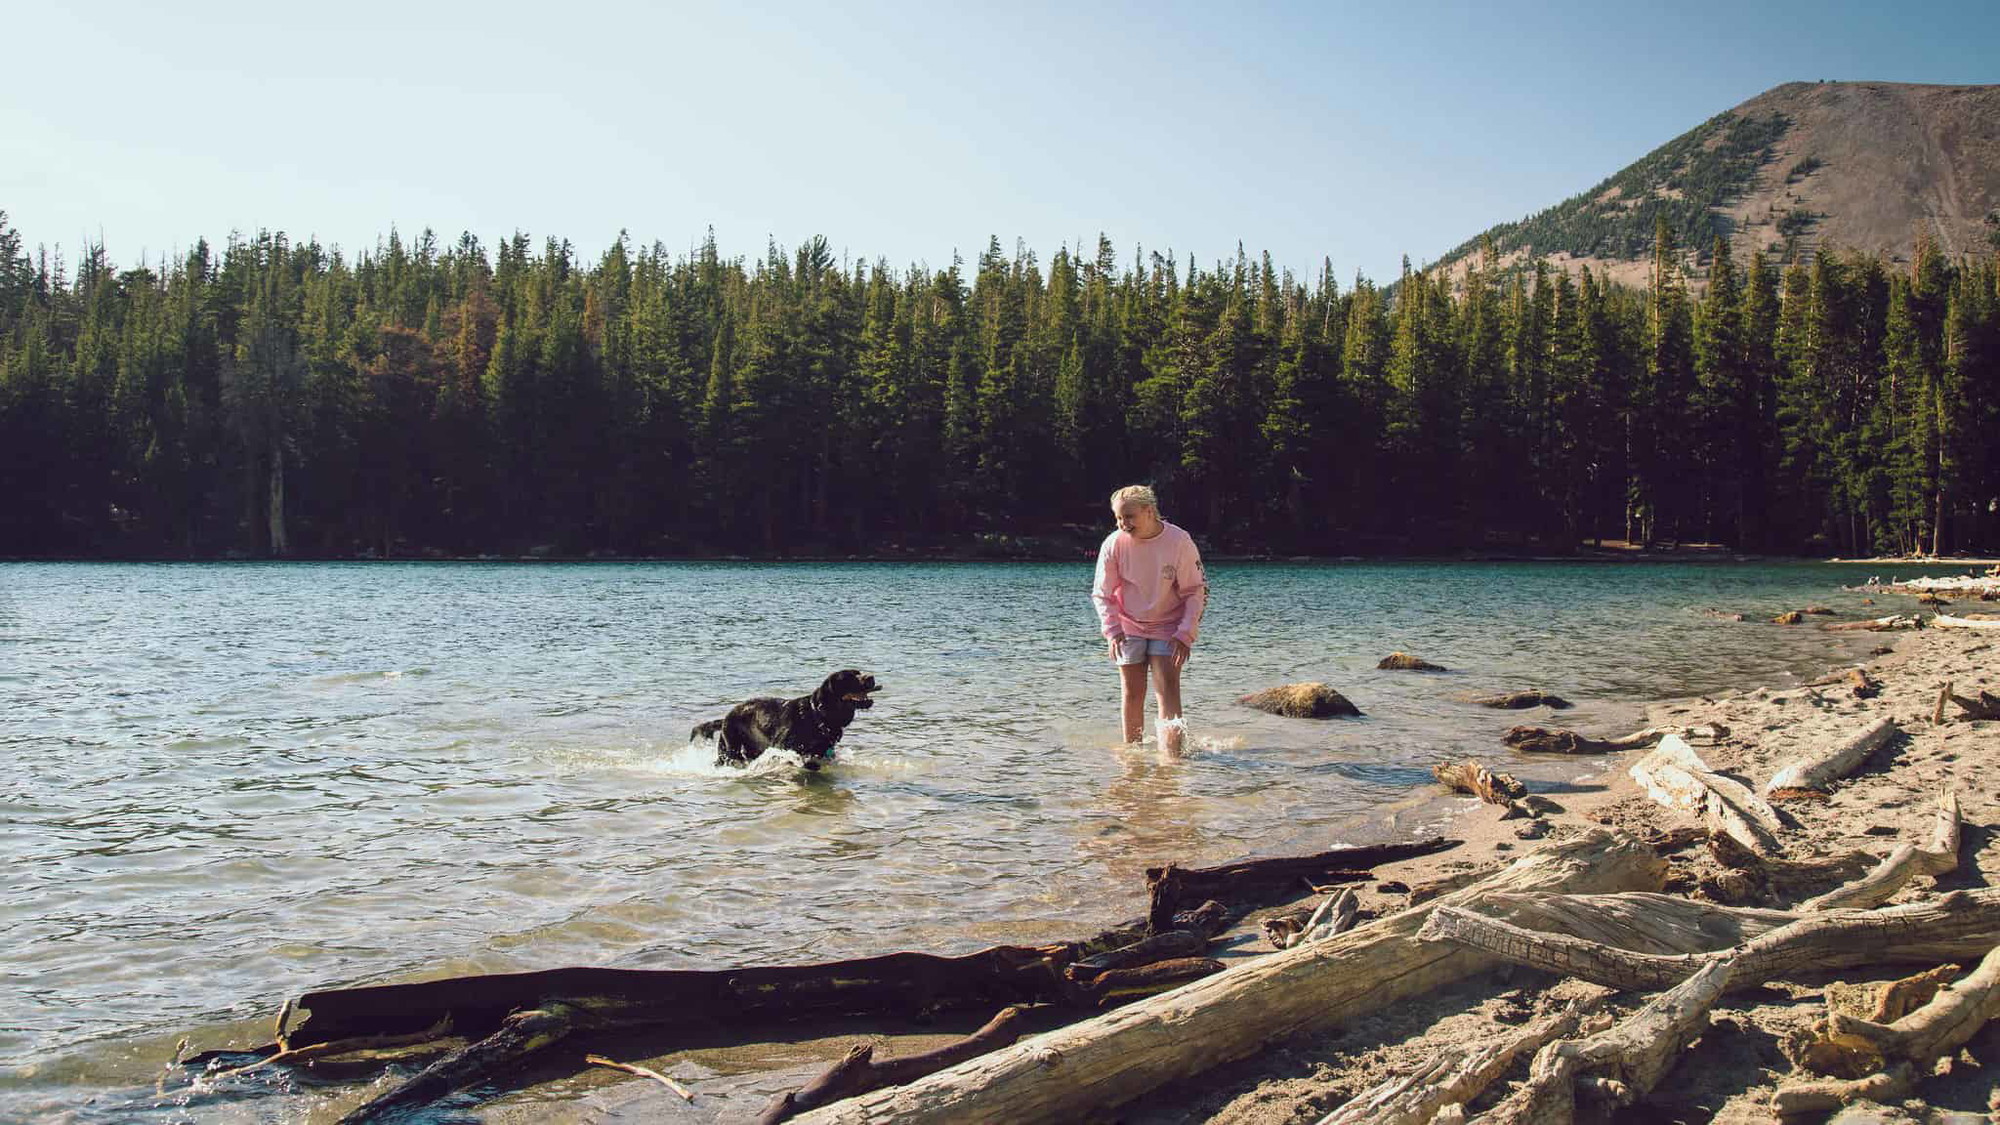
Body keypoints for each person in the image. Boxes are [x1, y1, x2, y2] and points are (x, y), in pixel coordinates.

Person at [1090, 485, 1207, 752]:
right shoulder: (1113, 543)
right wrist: (1112, 630)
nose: (1123, 524)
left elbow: (1195, 590)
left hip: (1169, 626)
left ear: (1149, 510)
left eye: (1129, 517)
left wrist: (1185, 633)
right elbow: (1102, 593)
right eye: (1118, 518)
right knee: (1132, 693)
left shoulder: (1179, 541)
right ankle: (1133, 757)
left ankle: (1173, 758)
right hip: (1127, 625)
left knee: (1167, 689)